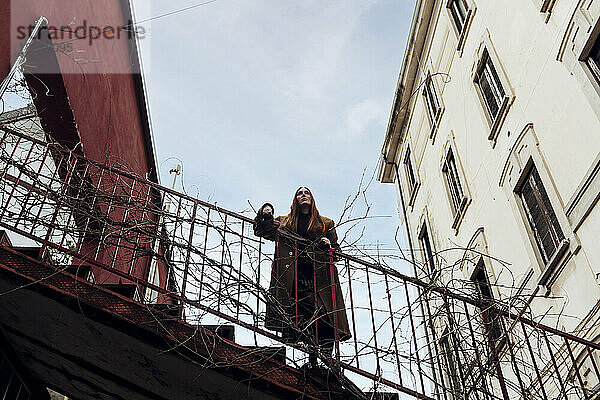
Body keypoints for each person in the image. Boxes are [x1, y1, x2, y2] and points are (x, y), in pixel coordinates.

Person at [253, 187, 351, 368]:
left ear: (312, 198)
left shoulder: (325, 223)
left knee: (324, 316)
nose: (303, 195)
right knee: (303, 317)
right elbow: (261, 230)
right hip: (293, 277)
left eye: (307, 192)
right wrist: (266, 210)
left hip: (319, 278)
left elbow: (337, 253)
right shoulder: (284, 222)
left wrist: (329, 245)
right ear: (295, 199)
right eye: (299, 193)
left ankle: (324, 359)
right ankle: (314, 361)